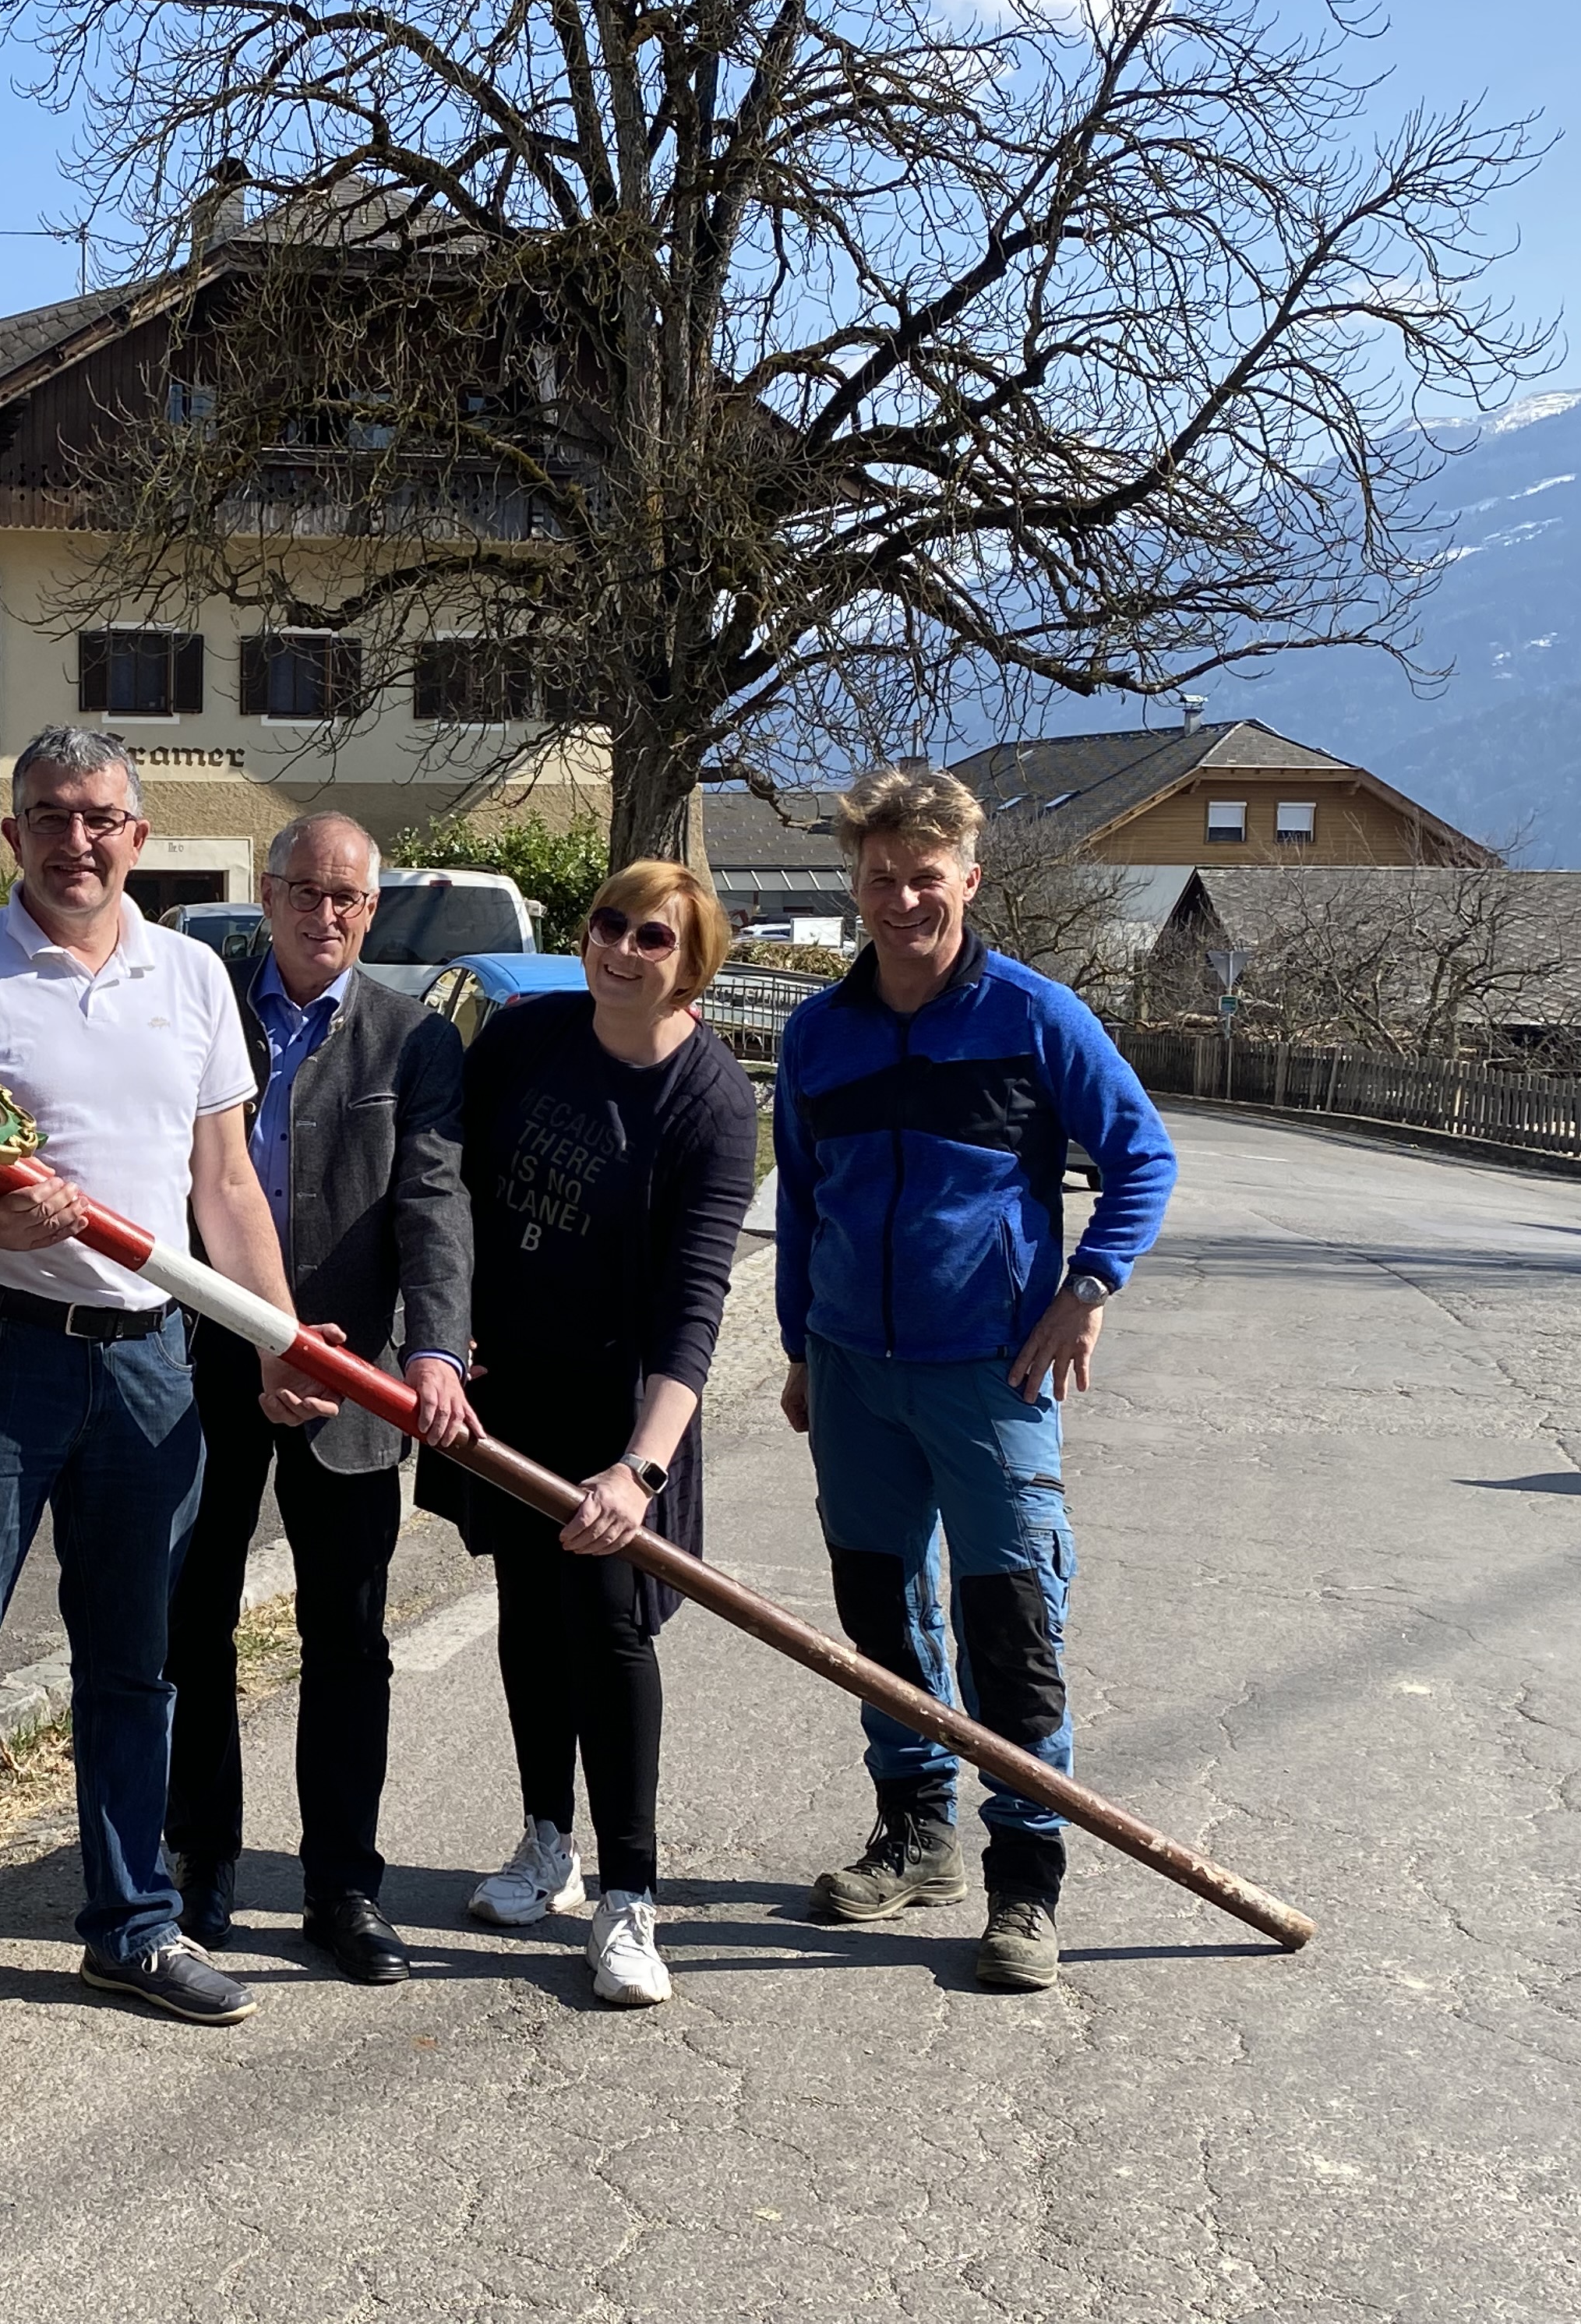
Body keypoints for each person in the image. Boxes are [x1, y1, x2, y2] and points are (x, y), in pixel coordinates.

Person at [0, 726, 311, 2068]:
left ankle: (135, 1925)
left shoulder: (195, 983)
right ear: (14, 836)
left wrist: (273, 1334)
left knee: (137, 1664)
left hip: (155, 1361)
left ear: (139, 838)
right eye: (50, 816)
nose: (77, 840)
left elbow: (225, 1187)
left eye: (102, 817)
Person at [775, 765, 1178, 1994]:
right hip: (852, 1371)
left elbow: (1142, 1158)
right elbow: (801, 1203)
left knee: (1011, 1626)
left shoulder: (1036, 1016)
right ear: (856, 885)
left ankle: (1026, 1882)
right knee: (880, 1618)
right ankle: (917, 1833)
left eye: (926, 879)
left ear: (970, 879)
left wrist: (1088, 1285)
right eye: (881, 880)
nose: (903, 901)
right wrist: (800, 1347)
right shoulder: (819, 1032)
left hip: (989, 1375)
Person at [161, 813, 476, 1985]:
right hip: (203, 1363)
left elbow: (435, 1207)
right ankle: (202, 1862)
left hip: (350, 1380)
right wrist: (252, 1338)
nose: (325, 916)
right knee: (191, 1621)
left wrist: (434, 1354)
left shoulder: (414, 1042)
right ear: (265, 891)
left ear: (371, 912)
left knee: (346, 1637)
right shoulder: (201, 1012)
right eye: (305, 891)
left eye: (348, 899)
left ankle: (344, 1886)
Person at [451, 860, 759, 2008]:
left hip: (620, 1413)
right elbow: (458, 1192)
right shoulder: (527, 1041)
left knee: (612, 1633)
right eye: (609, 925)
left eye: (654, 939)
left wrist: (642, 1466)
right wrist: (446, 1333)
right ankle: (547, 1846)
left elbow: (695, 1306)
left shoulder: (711, 1102)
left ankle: (631, 1897)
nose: (622, 950)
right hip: (512, 1391)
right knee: (530, 1617)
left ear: (693, 965)